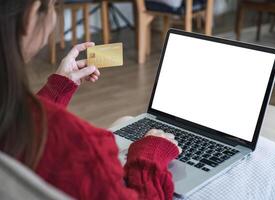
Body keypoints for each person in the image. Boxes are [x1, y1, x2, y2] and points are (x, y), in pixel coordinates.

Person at [0, 0, 181, 199]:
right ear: (31, 13)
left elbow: (23, 122)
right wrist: (149, 155)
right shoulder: (80, 144)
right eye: (54, 4)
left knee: (126, 120)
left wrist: (59, 87)